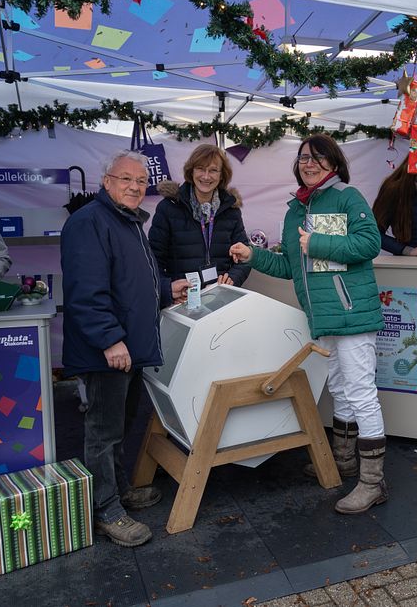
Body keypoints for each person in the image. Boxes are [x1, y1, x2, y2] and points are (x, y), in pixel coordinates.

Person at [229, 134, 387, 515]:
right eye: (303, 157)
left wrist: (315, 243)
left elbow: (370, 243)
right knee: (339, 387)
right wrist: (253, 255)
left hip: (351, 313)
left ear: (333, 163)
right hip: (322, 317)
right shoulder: (295, 210)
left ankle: (373, 482)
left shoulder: (347, 197)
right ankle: (345, 460)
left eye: (317, 157)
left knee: (361, 391)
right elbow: (290, 265)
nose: (309, 163)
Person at [61, 150, 189, 547]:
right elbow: (86, 291)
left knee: (120, 425)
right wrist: (109, 339)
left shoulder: (128, 222)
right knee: (103, 432)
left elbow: (136, 280)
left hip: (128, 349)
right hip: (108, 350)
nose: (135, 186)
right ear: (107, 181)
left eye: (140, 181)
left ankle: (117, 491)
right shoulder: (89, 223)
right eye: (126, 179)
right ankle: (106, 510)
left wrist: (168, 290)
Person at [149, 144, 250, 296]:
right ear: (191, 170)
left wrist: (233, 278)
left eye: (213, 170)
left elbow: (244, 256)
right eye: (200, 168)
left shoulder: (231, 210)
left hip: (221, 295)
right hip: (183, 297)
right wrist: (168, 290)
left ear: (222, 175)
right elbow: (153, 259)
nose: (206, 176)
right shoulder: (168, 208)